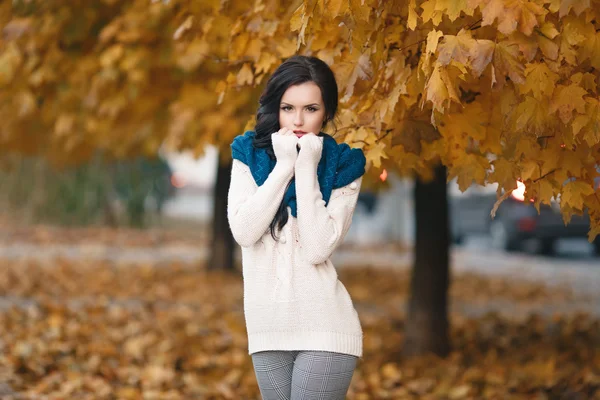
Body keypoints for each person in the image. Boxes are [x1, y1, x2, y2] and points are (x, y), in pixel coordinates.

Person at [227, 55, 366, 400]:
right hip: (267, 328)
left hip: (325, 327)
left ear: (327, 112)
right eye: (288, 108)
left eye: (311, 109)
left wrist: (306, 166)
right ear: (276, 107)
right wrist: (284, 164)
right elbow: (244, 231)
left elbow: (317, 248)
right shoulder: (248, 155)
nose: (298, 120)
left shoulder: (345, 166)